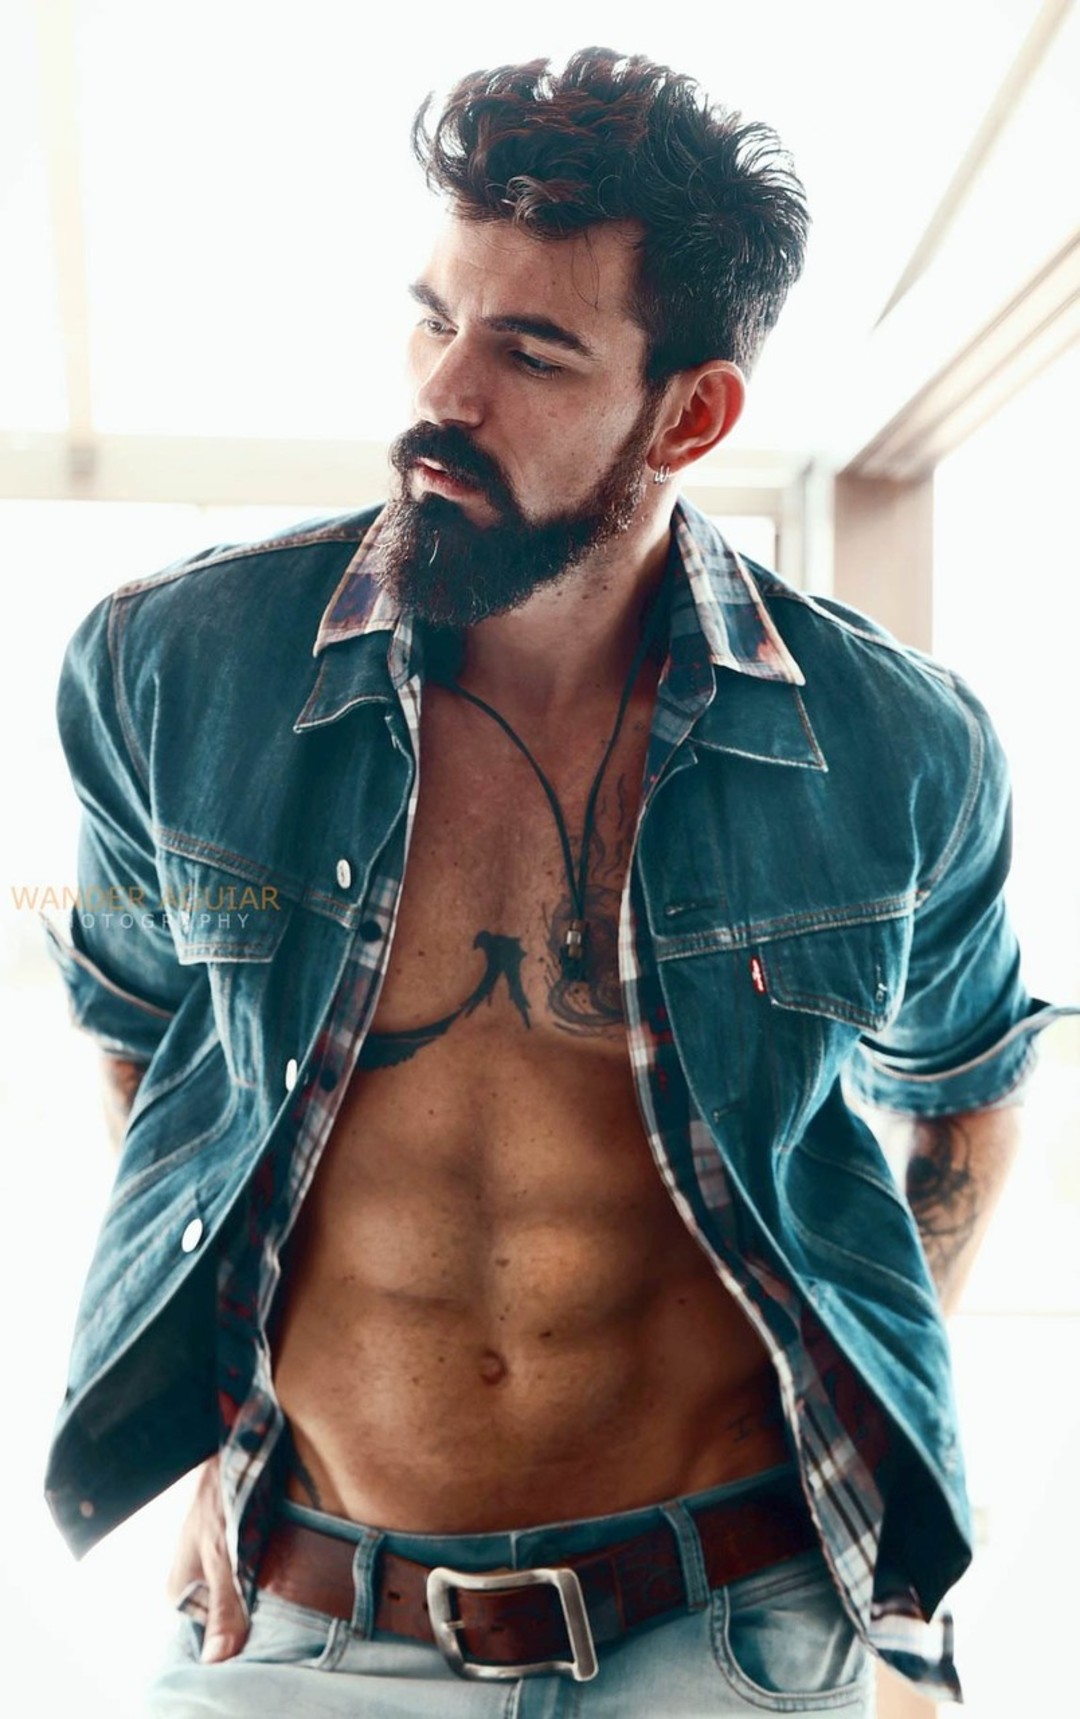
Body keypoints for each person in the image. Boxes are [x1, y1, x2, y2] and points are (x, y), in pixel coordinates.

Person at [44, 46, 1068, 1717]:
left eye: (529, 351)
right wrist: (214, 1421)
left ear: (692, 414)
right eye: (432, 319)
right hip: (303, 1619)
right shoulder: (172, 669)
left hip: (733, 1624)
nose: (442, 394)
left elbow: (966, 1093)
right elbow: (151, 1042)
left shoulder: (897, 745)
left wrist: (864, 1457)